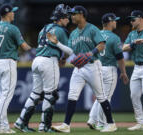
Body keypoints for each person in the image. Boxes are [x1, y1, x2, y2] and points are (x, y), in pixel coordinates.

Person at [48, 5, 117, 133]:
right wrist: (59, 47)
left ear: (82, 15)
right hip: (79, 67)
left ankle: (111, 124)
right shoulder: (73, 33)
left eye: (74, 14)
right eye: (71, 15)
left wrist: (90, 53)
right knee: (72, 95)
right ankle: (66, 125)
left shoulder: (92, 29)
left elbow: (102, 45)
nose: (71, 17)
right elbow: (70, 51)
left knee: (101, 96)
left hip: (93, 66)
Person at [14, 4, 70, 132]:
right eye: (66, 17)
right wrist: (64, 59)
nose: (68, 19)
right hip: (49, 61)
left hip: (37, 61)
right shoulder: (61, 30)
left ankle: (21, 122)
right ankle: (44, 126)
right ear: (60, 18)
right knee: (50, 95)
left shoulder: (44, 28)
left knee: (35, 94)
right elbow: (67, 50)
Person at [0, 3, 31, 134]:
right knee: (5, 96)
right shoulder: (12, 28)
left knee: (2, 96)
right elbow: (24, 46)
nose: (14, 13)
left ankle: (4, 126)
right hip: (8, 63)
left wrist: (3, 46)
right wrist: (36, 51)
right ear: (7, 13)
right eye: (12, 12)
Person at [87, 13, 129, 130]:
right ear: (110, 22)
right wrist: (124, 72)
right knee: (105, 98)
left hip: (96, 68)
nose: (116, 22)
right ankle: (102, 122)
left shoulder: (95, 35)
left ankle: (92, 119)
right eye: (114, 21)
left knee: (101, 96)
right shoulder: (114, 38)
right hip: (109, 69)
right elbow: (120, 57)